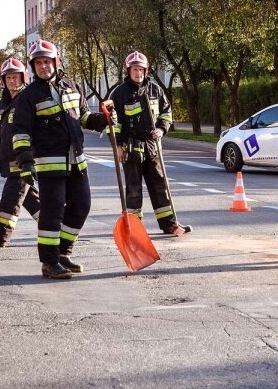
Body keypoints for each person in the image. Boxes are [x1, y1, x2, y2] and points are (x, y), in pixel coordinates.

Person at [12, 40, 112, 279]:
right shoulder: (28, 96)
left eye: (47, 61)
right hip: (50, 162)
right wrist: (26, 163)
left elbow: (83, 117)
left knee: (82, 206)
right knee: (52, 211)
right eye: (38, 63)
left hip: (77, 160)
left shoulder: (71, 86)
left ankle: (63, 253)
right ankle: (49, 262)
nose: (43, 66)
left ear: (56, 62)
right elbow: (21, 132)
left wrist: (102, 119)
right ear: (33, 67)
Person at [107, 51, 191, 236]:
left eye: (141, 69)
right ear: (128, 70)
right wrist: (118, 147)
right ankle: (134, 229)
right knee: (134, 191)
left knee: (161, 186)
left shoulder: (155, 89)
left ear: (146, 70)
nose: (138, 73)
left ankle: (170, 225)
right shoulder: (119, 93)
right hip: (131, 151)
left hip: (153, 148)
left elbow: (166, 113)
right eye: (135, 69)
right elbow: (113, 124)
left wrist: (161, 130)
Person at [0, 58, 40, 247]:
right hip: (8, 157)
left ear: (23, 78)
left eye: (15, 77)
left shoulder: (27, 99)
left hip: (23, 158)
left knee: (11, 196)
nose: (12, 81)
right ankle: (55, 227)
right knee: (30, 199)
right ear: (3, 81)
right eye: (8, 77)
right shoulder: (4, 102)